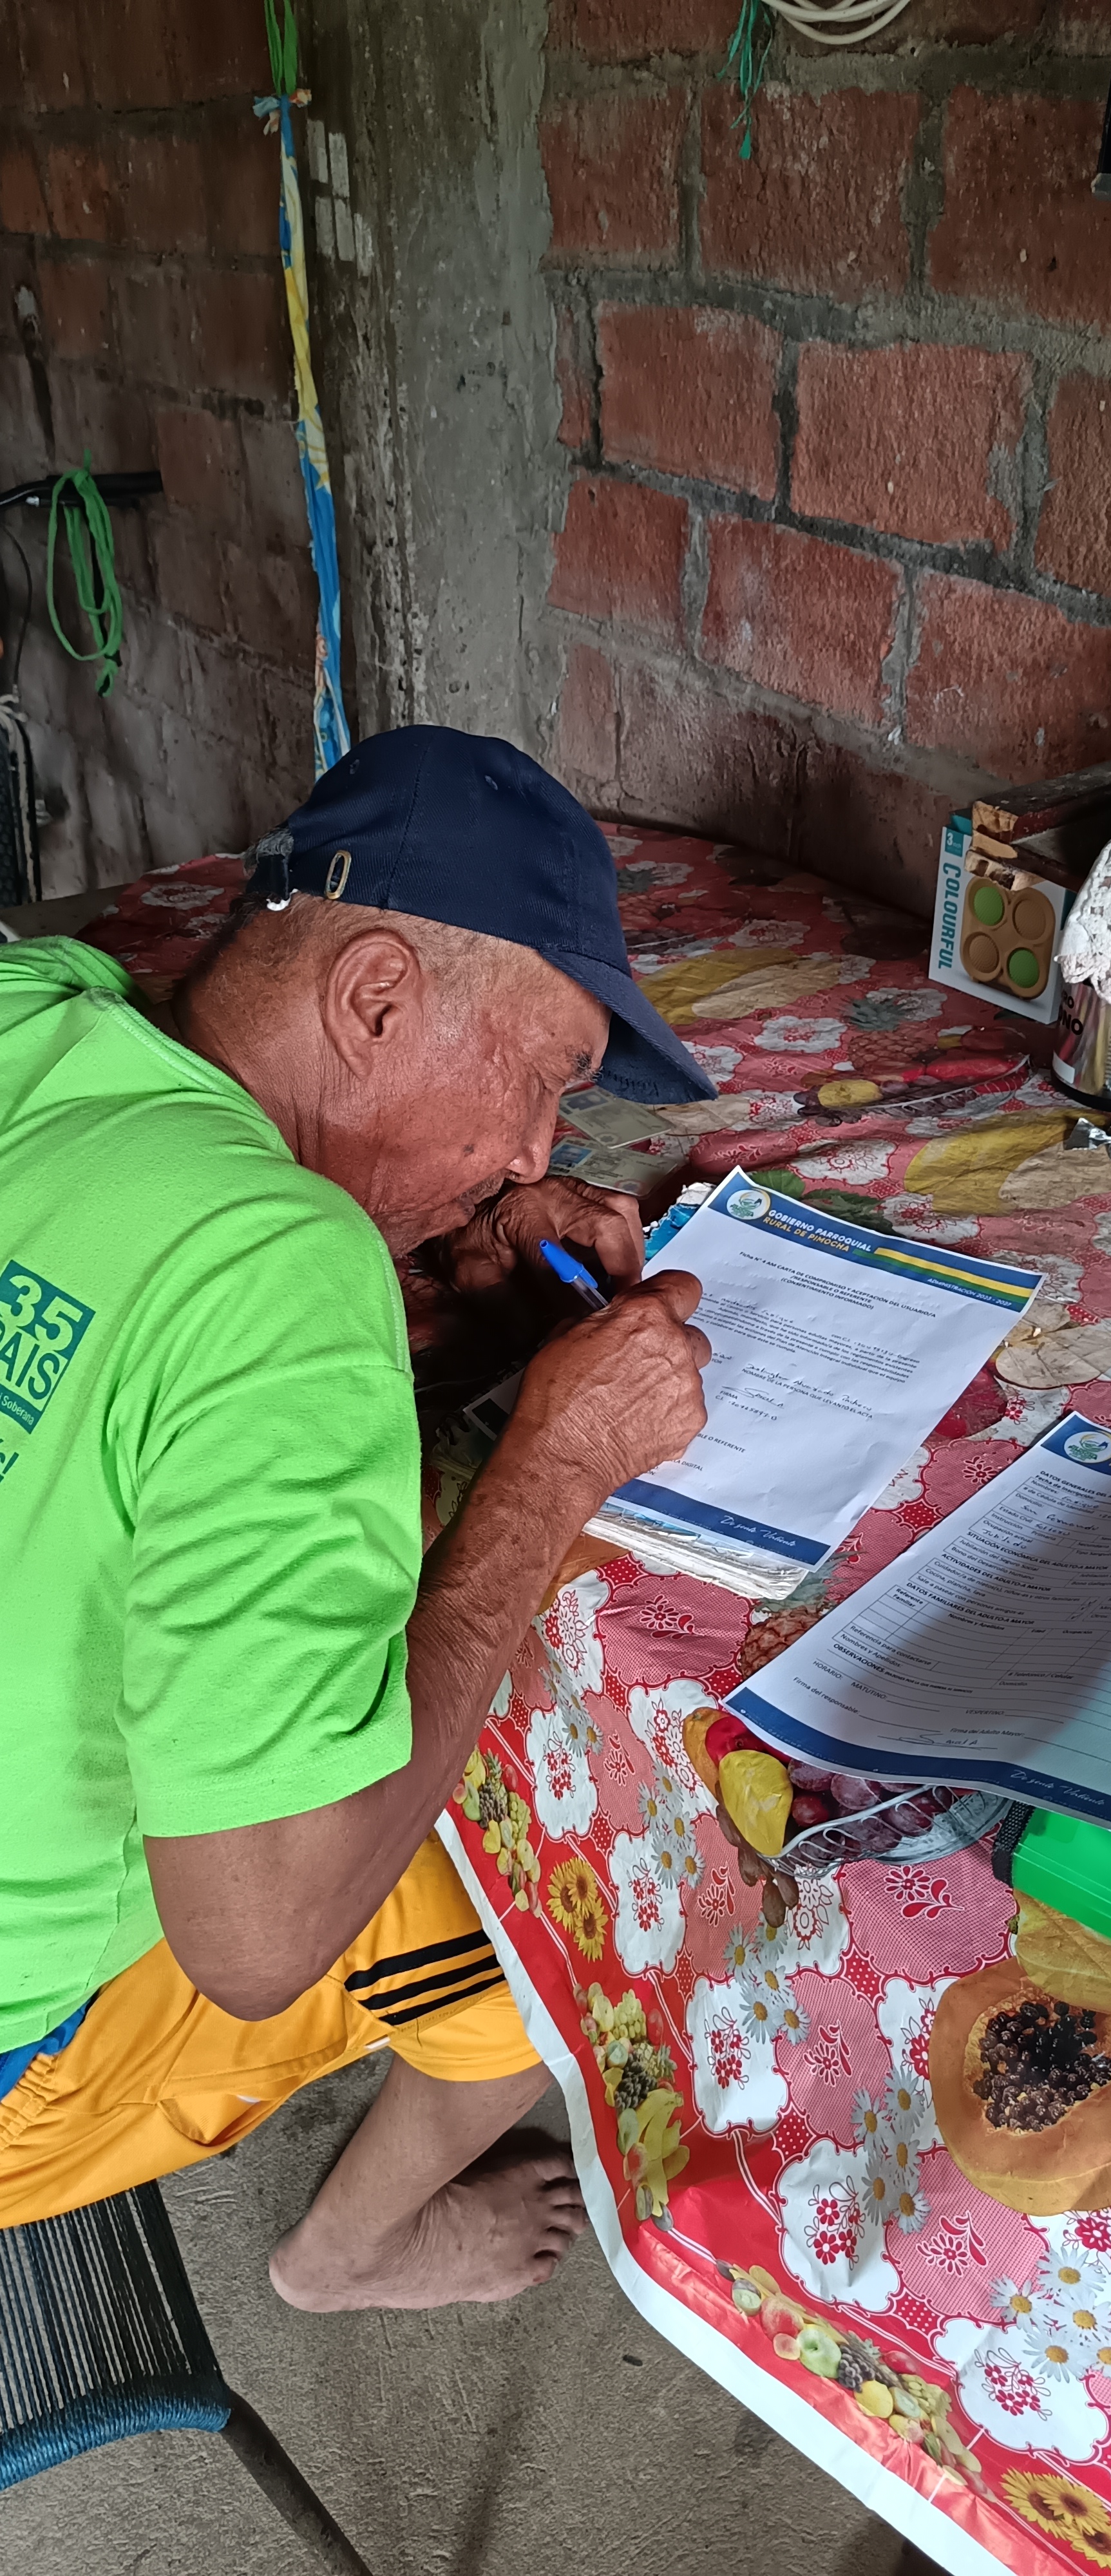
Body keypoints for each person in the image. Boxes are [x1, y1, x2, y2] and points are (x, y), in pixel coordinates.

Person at [0, 726, 713, 2313]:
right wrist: (551, 1464)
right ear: (376, 996)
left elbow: (144, 1339)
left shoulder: (36, 1007)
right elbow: (258, 1937)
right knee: (567, 1908)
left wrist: (434, 1294)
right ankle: (345, 2253)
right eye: (545, 1078)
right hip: (16, 2061)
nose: (533, 1151)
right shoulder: (287, 1264)